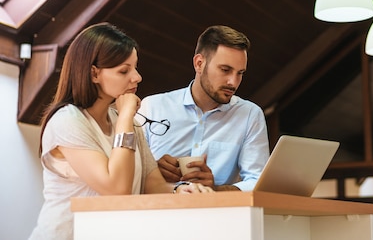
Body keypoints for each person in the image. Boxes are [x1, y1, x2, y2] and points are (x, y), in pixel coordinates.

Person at [29, 23, 211, 240]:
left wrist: (179, 190)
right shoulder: (67, 121)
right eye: (124, 70)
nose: (136, 77)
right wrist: (125, 116)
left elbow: (152, 183)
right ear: (94, 73)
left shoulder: (125, 120)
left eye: (135, 67)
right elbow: (116, 189)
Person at [139, 25, 270, 191]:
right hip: (158, 212)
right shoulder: (152, 107)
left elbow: (257, 182)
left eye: (240, 73)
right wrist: (153, 171)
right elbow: (129, 172)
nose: (233, 82)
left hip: (216, 214)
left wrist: (215, 190)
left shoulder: (250, 115)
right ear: (199, 63)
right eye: (225, 70)